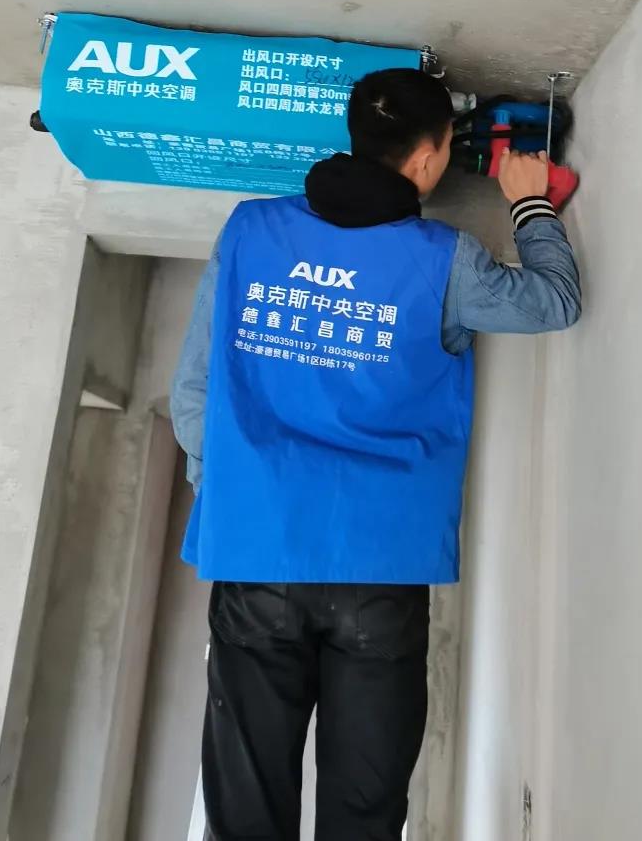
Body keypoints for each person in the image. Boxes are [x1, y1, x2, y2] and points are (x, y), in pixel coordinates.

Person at [171, 68, 581, 841]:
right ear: (427, 159)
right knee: (364, 812)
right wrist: (530, 202)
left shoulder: (249, 230)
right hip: (381, 569)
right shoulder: (444, 259)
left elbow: (194, 393)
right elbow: (553, 301)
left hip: (257, 556)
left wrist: (237, 501)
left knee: (244, 811)